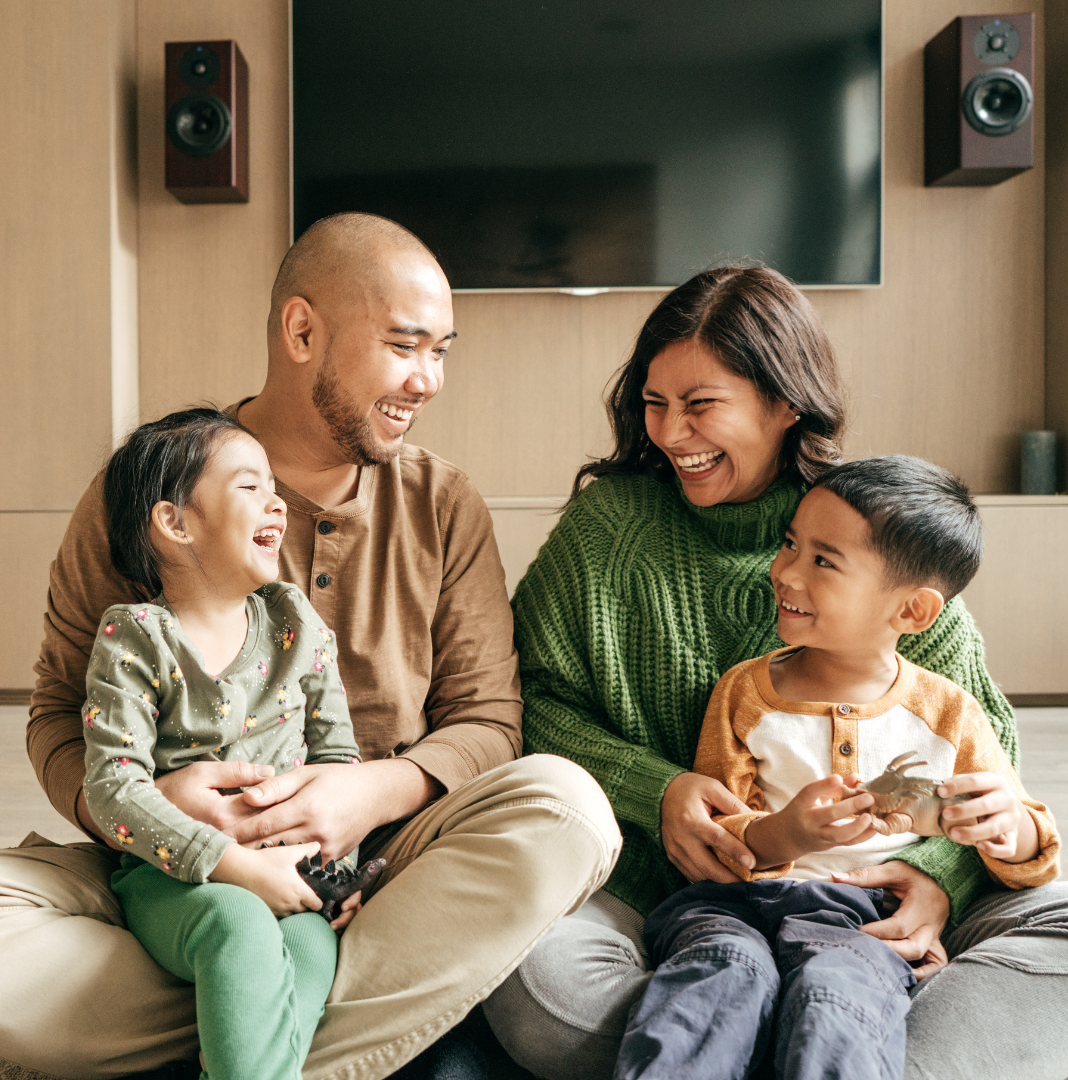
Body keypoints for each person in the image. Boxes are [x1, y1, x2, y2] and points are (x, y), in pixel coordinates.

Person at [0, 213, 622, 1080]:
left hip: (380, 869)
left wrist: (365, 795)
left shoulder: (445, 504)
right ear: (302, 331)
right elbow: (62, 718)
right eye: (407, 345)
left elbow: (487, 725)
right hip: (166, 866)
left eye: (443, 350)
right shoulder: (151, 487)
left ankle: (239, 1031)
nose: (430, 378)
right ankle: (283, 1021)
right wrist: (161, 808)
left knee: (568, 809)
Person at [482, 265, 1068, 1080]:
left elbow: (981, 746)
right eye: (654, 404)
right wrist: (654, 790)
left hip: (858, 911)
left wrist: (930, 875)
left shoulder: (868, 524)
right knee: (528, 967)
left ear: (784, 402)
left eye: (700, 405)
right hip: (668, 896)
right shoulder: (608, 528)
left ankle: (766, 1039)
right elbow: (526, 703)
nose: (669, 433)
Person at [614, 456, 1059, 1080]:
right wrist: (788, 833)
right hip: (732, 907)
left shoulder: (949, 712)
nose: (785, 572)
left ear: (911, 612)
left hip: (864, 921)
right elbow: (723, 835)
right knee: (712, 979)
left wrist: (1011, 825)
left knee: (838, 996)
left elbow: (1032, 850)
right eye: (790, 544)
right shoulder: (744, 692)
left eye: (823, 561)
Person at [83, 409, 366, 1080]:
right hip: (173, 878)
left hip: (292, 870)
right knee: (237, 928)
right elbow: (111, 788)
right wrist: (233, 867)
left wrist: (337, 866)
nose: (276, 501)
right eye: (248, 486)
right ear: (175, 523)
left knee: (309, 950)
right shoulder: (136, 638)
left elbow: (338, 764)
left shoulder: (299, 627)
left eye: (274, 486)